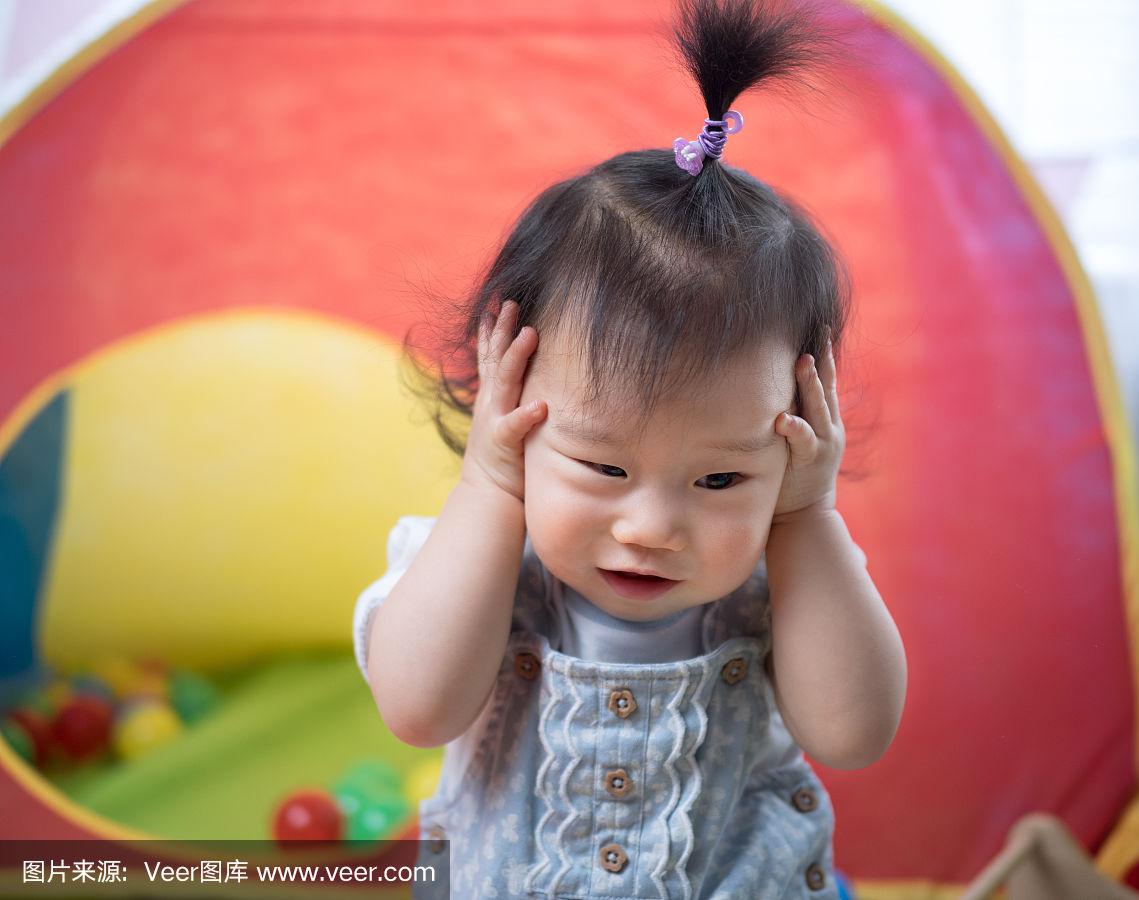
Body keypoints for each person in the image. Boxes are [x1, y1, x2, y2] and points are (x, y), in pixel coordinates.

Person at [353, 0, 907, 896]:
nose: (652, 526)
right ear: (512, 407)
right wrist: (493, 486)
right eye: (603, 468)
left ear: (796, 448)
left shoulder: (788, 581)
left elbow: (854, 733)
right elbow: (418, 710)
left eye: (721, 477)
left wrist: (809, 516)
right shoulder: (477, 566)